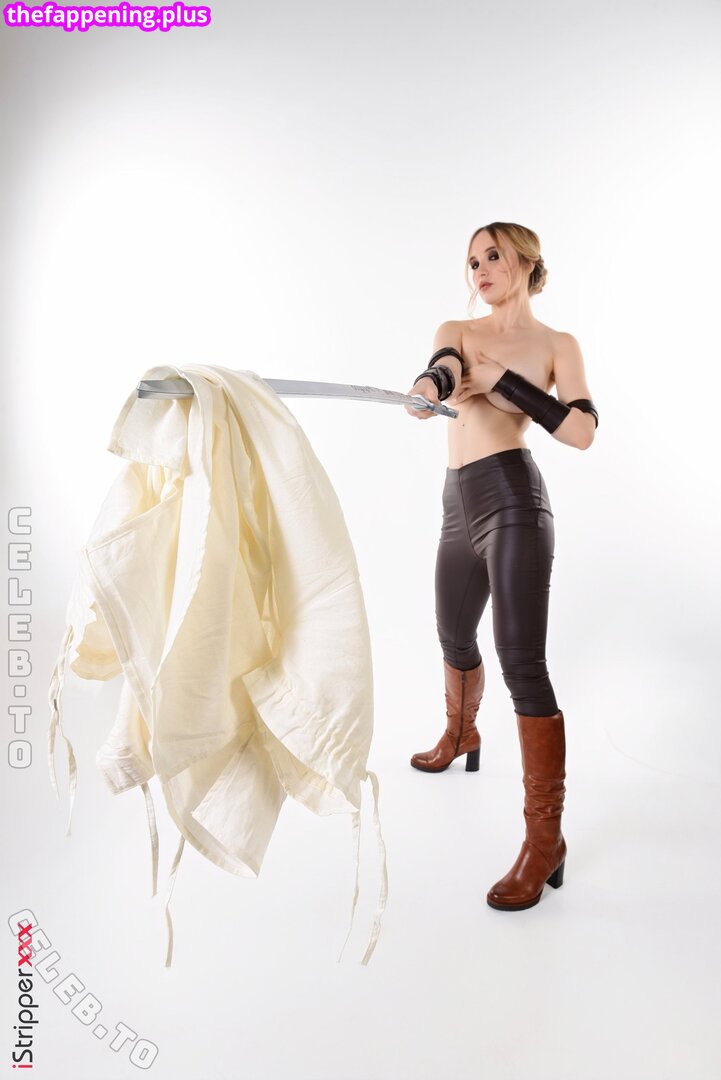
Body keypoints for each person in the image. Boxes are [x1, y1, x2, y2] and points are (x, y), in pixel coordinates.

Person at [404, 221, 598, 911]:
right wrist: (431, 384)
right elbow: (444, 368)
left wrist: (503, 382)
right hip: (457, 503)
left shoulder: (556, 345)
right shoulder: (458, 329)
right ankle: (461, 733)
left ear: (525, 262)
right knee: (453, 637)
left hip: (512, 500)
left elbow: (581, 430)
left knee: (522, 665)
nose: (480, 269)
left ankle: (544, 840)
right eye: (472, 261)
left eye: (493, 256)